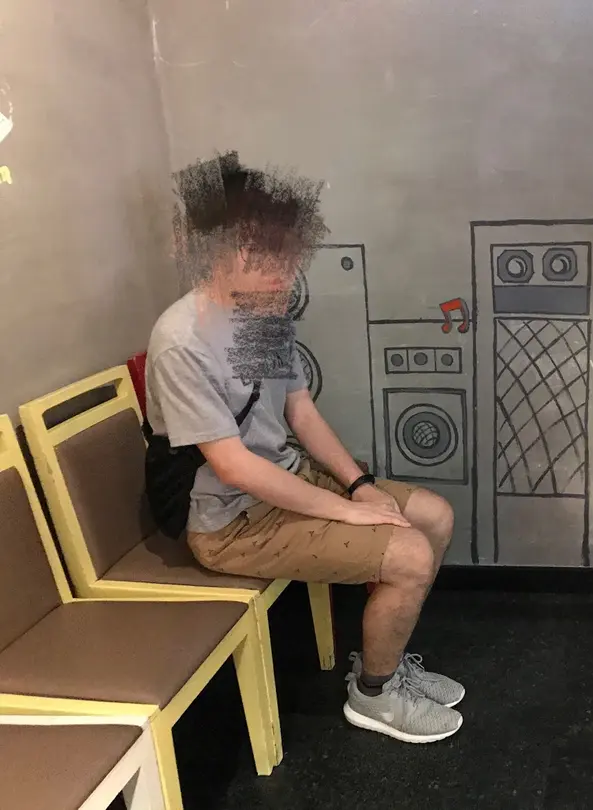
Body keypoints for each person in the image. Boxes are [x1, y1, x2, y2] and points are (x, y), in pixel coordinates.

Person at [143, 152, 463, 744]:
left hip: (286, 481)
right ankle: (375, 697)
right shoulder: (181, 341)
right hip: (229, 522)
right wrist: (347, 510)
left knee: (434, 517)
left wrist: (358, 486)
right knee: (410, 556)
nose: (284, 272)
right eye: (263, 254)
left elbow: (300, 411)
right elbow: (233, 466)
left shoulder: (260, 316)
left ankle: (386, 661)